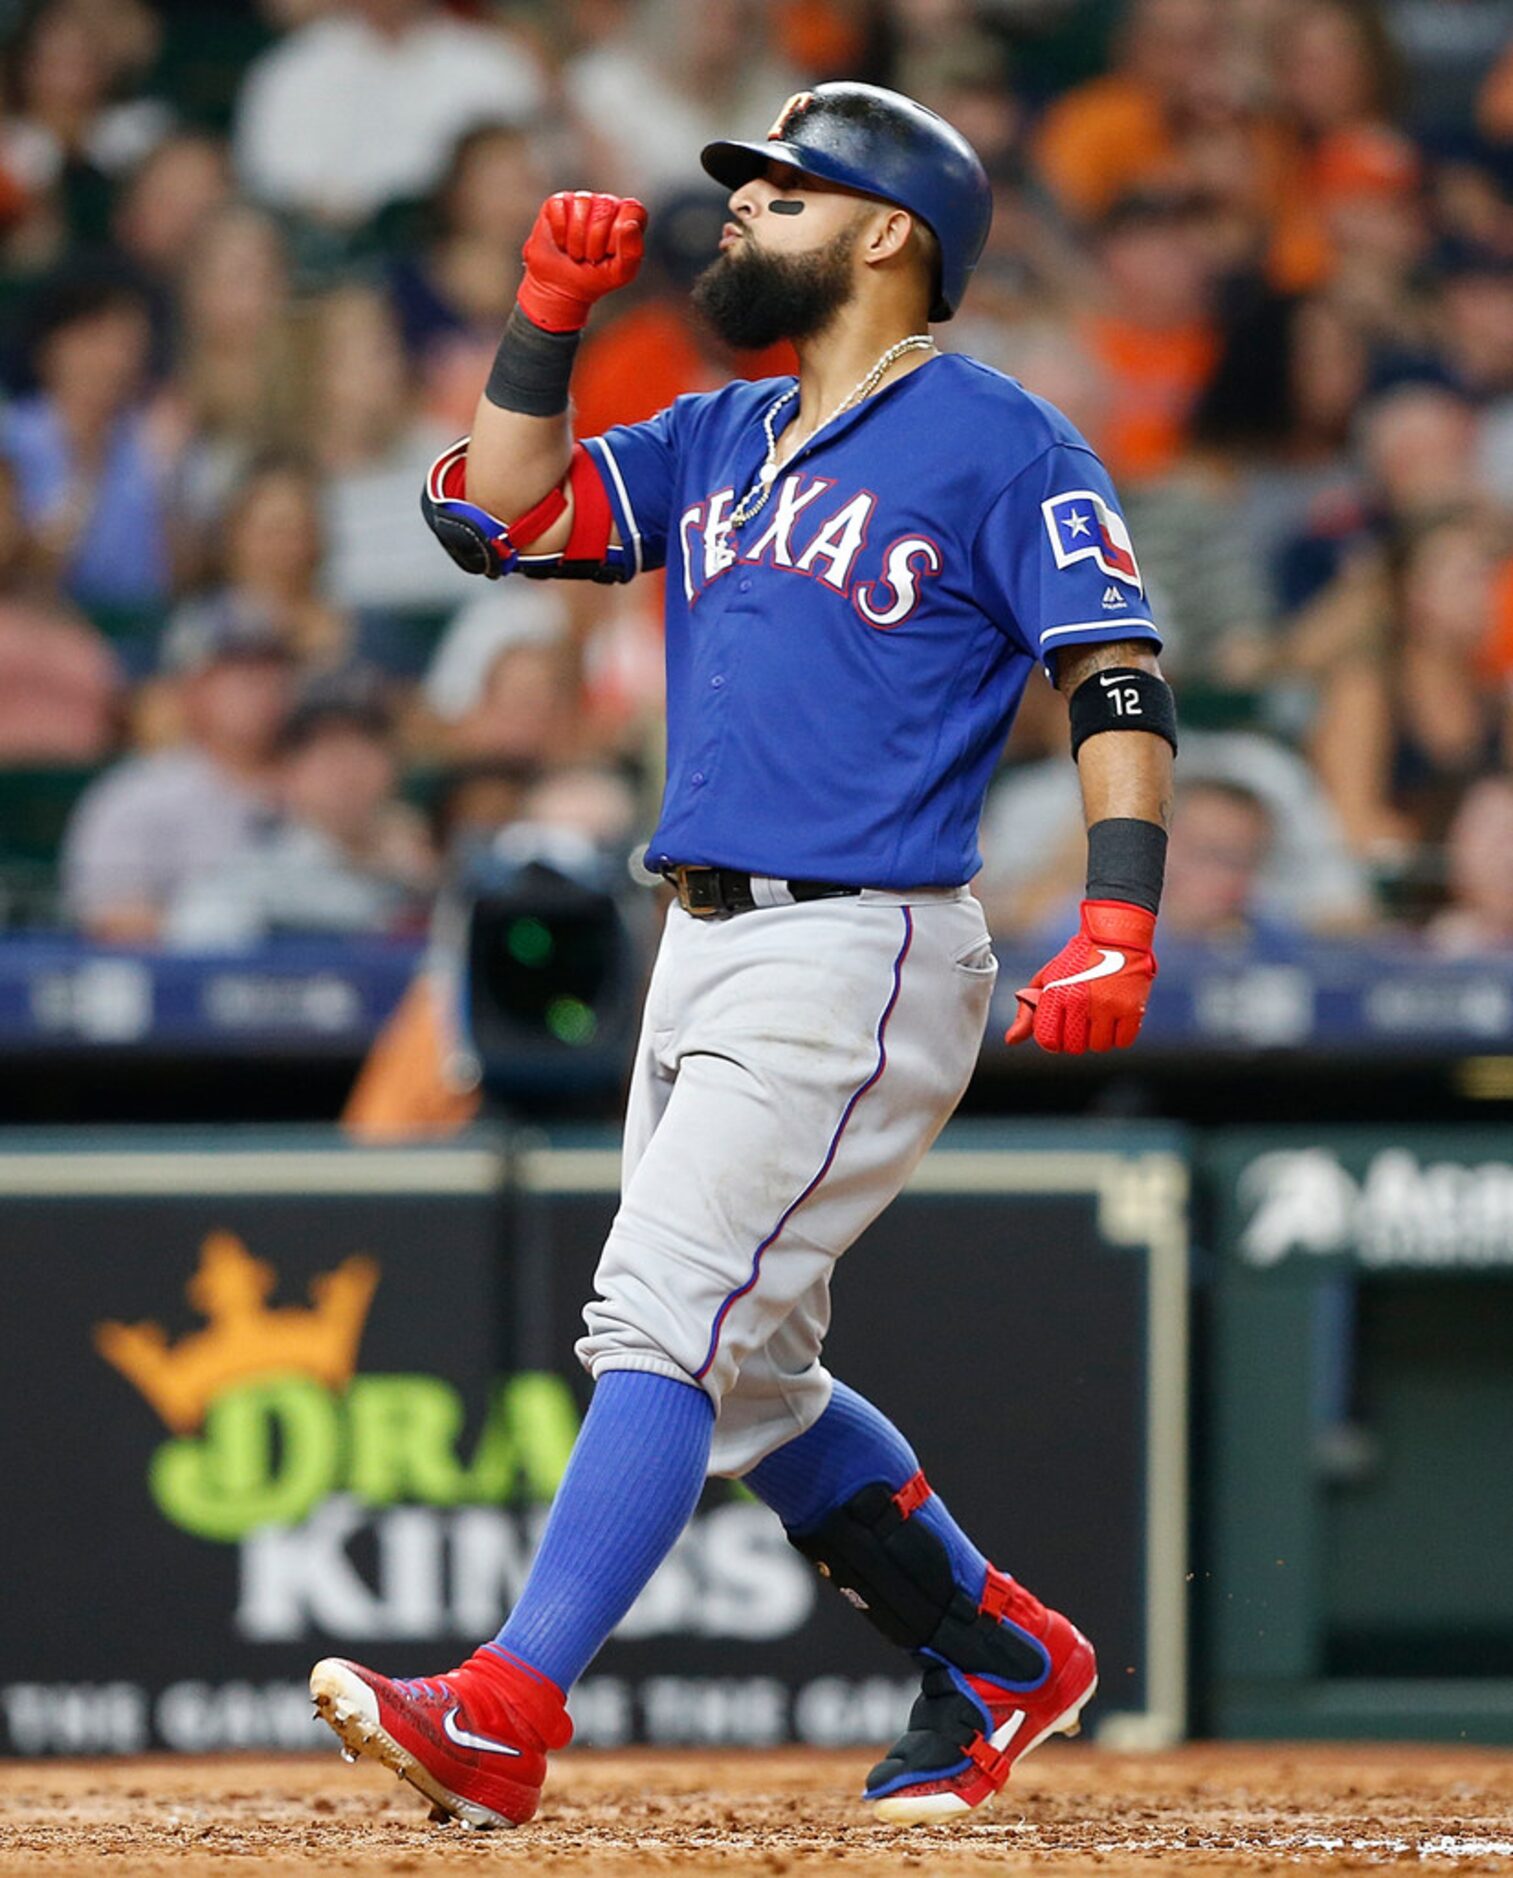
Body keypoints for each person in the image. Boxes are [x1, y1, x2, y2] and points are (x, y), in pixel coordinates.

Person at [310, 83, 1177, 1832]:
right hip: (696, 942)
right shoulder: (718, 433)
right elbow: (496, 513)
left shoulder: (1001, 441)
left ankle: (504, 1701)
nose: (739, 212)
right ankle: (997, 1647)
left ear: (886, 233)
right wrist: (544, 318)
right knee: (749, 1367)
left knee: (660, 1317)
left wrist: (1118, 912)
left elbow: (1114, 675)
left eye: (782, 190)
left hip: (856, 942)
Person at [60, 610, 291, 941]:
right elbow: (108, 917)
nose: (263, 689)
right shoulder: (137, 794)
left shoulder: (323, 787)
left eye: (274, 673)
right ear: (190, 689)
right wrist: (200, 927)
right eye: (239, 674)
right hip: (180, 985)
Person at [166, 665, 432, 947]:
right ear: (287, 771)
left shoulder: (422, 879)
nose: (348, 769)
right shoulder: (247, 881)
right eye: (328, 752)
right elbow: (200, 958)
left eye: (366, 747)